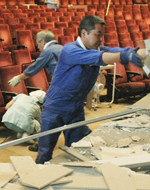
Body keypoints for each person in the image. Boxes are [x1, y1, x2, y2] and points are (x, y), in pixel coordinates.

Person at [36, 15, 144, 164]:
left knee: (77, 149)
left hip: (75, 108)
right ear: (84, 33)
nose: (101, 39)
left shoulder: (96, 48)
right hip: (56, 107)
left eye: (103, 35)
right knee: (45, 152)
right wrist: (124, 55)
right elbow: (100, 57)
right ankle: (38, 177)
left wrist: (134, 53)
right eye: (98, 34)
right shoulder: (70, 50)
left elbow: (113, 50)